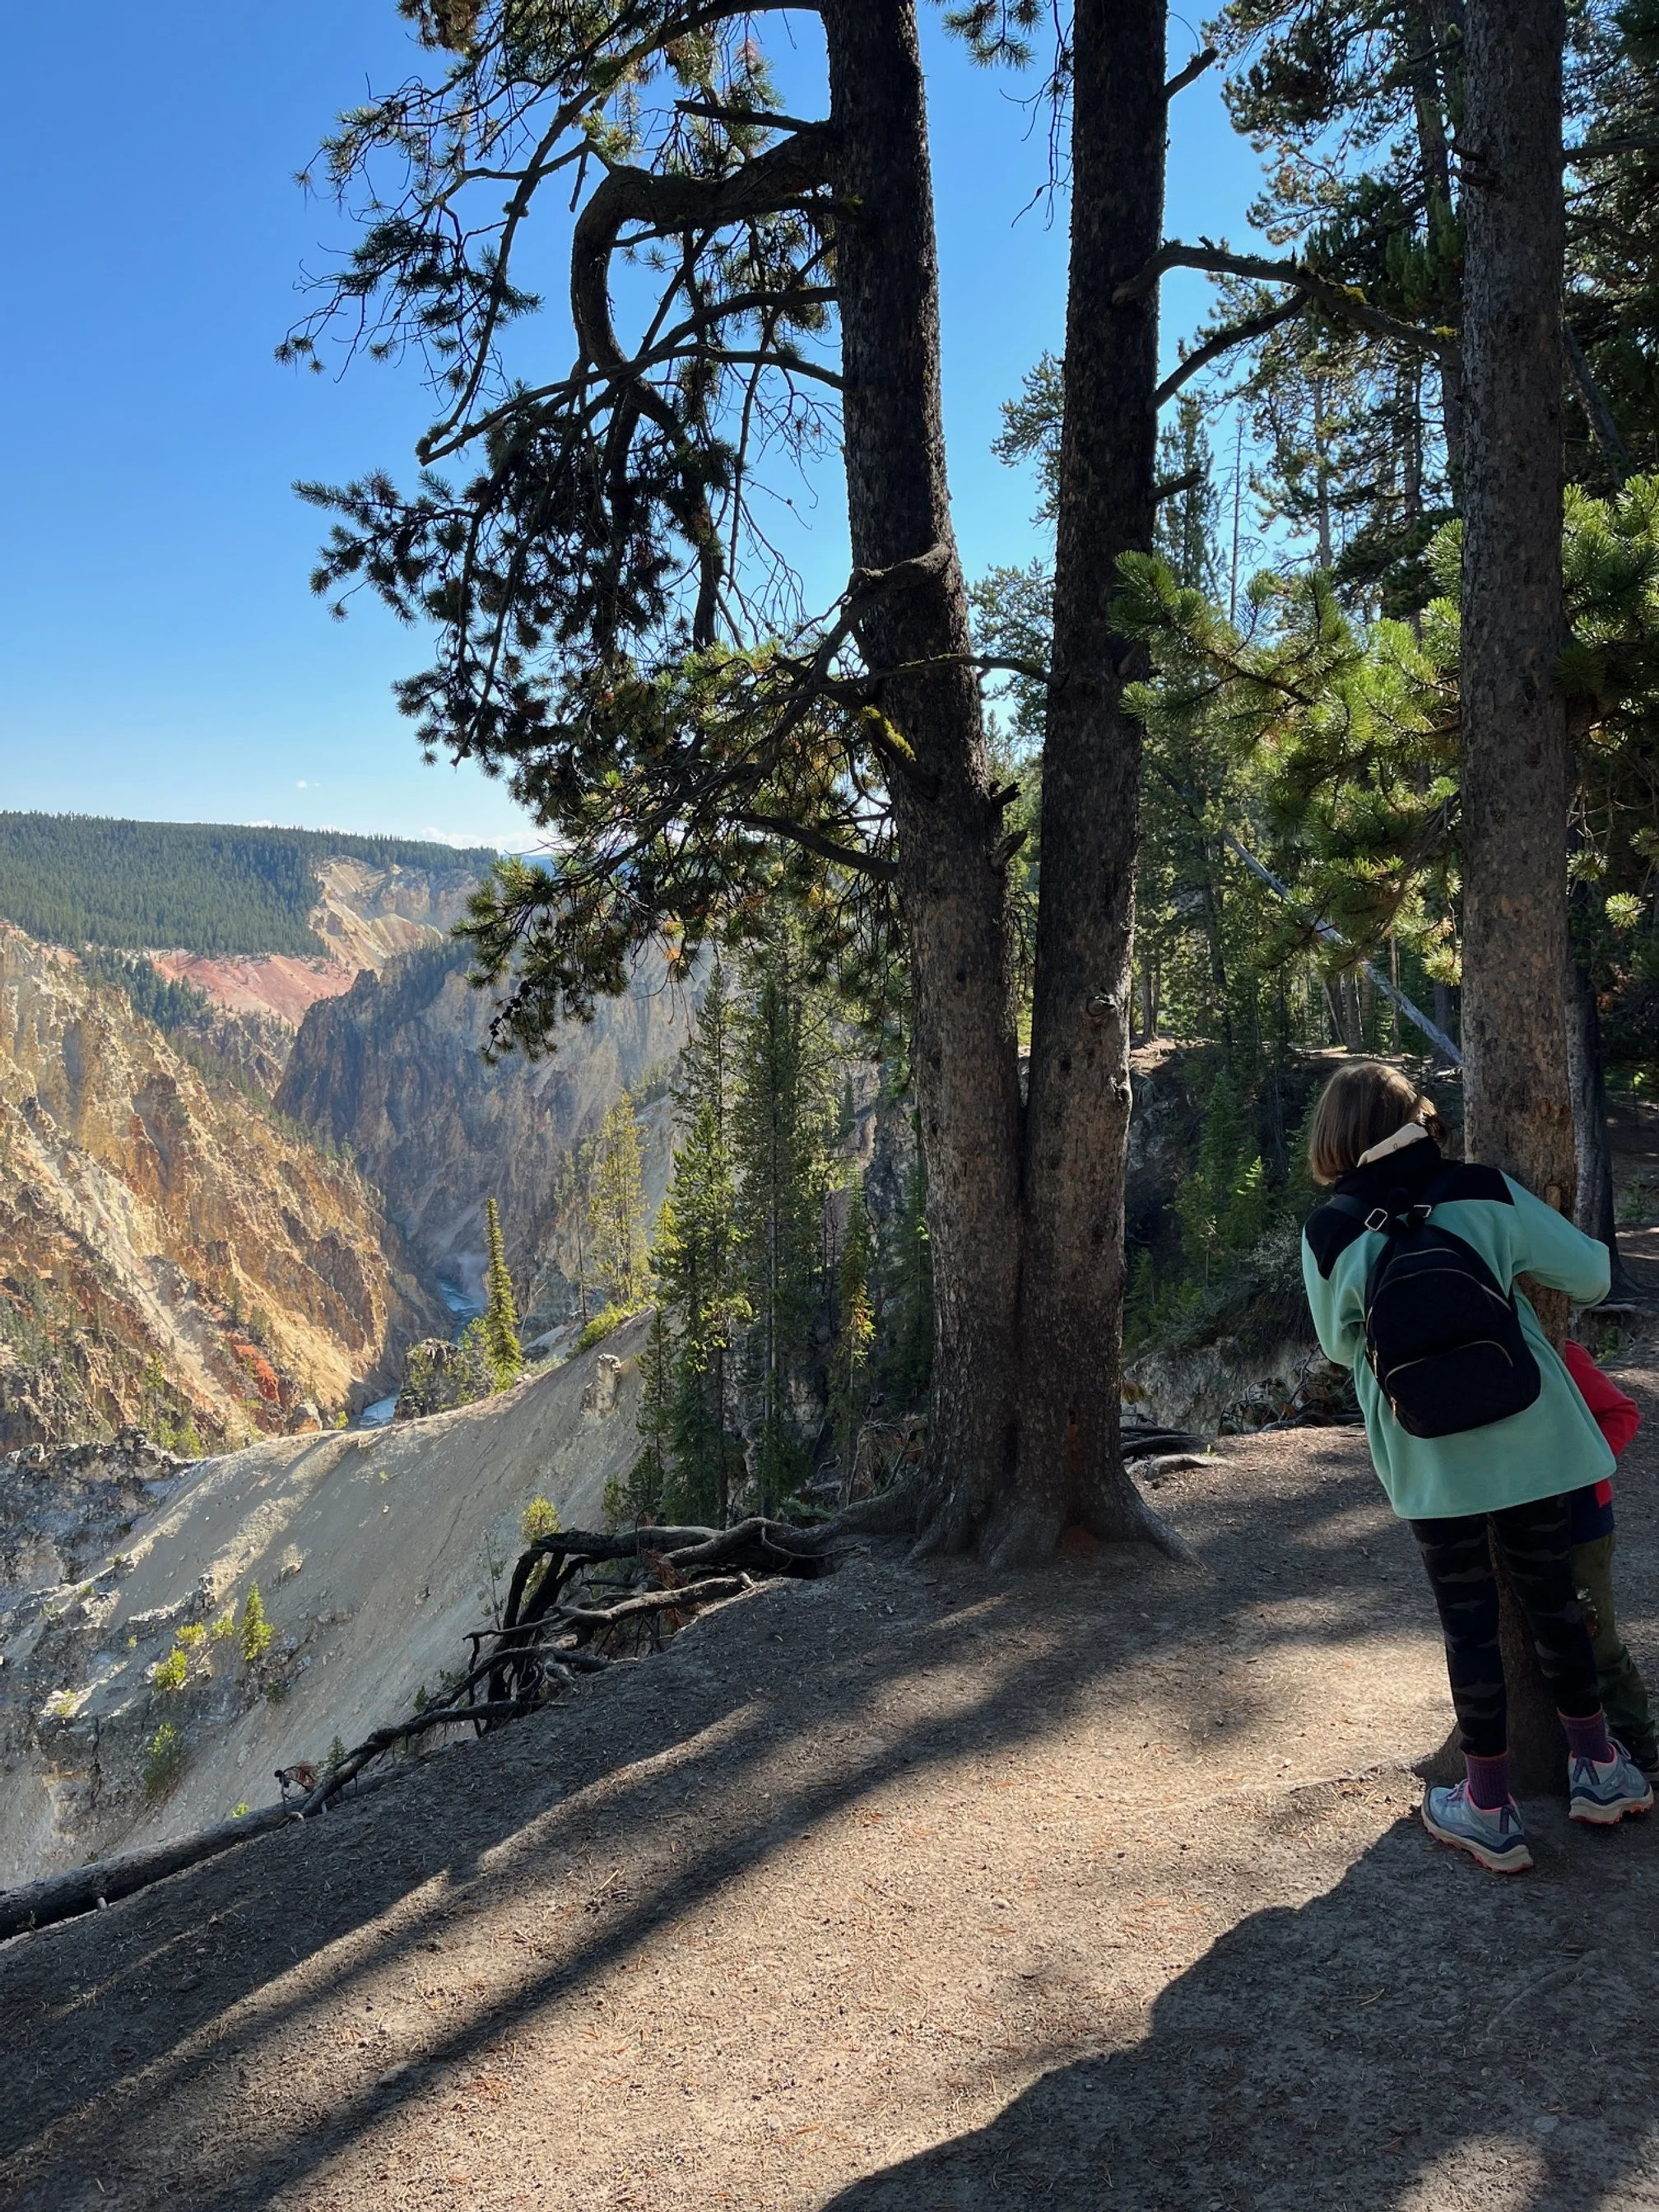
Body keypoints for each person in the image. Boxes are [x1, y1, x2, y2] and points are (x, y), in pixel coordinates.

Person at [1300, 1059, 1652, 1875]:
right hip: (1531, 1439)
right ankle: (1599, 1768)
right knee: (1551, 1602)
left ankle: (1487, 1806)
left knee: (1470, 1622)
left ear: (1334, 1139)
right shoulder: (1480, 1189)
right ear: (1416, 1114)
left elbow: (1336, 1344)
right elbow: (1593, 1276)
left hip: (1430, 1456)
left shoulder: (1329, 1232)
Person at [1560, 1337, 1657, 1775]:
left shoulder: (1560, 1351)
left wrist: (1578, 1470)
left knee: (1596, 1638)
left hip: (1582, 1524)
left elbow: (1622, 1412)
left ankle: (1641, 1745)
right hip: (1521, 1524)